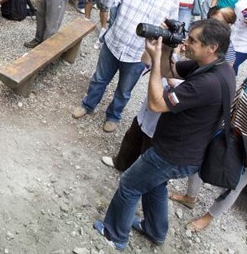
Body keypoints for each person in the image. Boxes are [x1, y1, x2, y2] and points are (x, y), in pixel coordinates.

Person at [93, 19, 235, 251]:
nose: (186, 43)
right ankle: (155, 230)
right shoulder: (216, 66)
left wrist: (154, 66)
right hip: (184, 150)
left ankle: (115, 234)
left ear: (212, 47)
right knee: (154, 185)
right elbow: (172, 70)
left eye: (193, 41)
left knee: (129, 184)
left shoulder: (208, 83)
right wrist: (165, 49)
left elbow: (157, 103)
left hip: (172, 153)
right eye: (187, 37)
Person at [169, 52, 247, 232]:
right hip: (228, 133)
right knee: (201, 161)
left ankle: (208, 217)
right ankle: (190, 197)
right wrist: (223, 127)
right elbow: (233, 102)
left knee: (232, 187)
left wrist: (244, 147)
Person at [72, 0, 180, 133]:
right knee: (99, 79)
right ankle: (88, 105)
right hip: (114, 42)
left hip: (138, 54)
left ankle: (113, 116)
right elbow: (107, 3)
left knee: (124, 90)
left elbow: (173, 27)